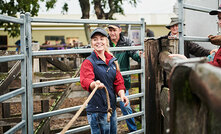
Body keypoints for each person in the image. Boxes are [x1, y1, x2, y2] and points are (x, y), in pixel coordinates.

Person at [80, 27, 129, 134]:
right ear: (91, 43)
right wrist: (94, 84)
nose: (98, 42)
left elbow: (118, 81)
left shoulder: (112, 61)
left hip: (111, 109)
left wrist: (122, 95)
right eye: (95, 39)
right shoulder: (88, 62)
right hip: (97, 111)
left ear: (106, 41)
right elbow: (85, 80)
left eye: (102, 38)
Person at [107, 24, 141, 132]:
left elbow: (133, 53)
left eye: (114, 30)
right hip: (108, 81)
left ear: (120, 30)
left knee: (126, 107)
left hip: (122, 82)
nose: (112, 33)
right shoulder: (105, 42)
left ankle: (133, 130)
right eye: (110, 30)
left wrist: (139, 55)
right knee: (108, 109)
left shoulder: (126, 41)